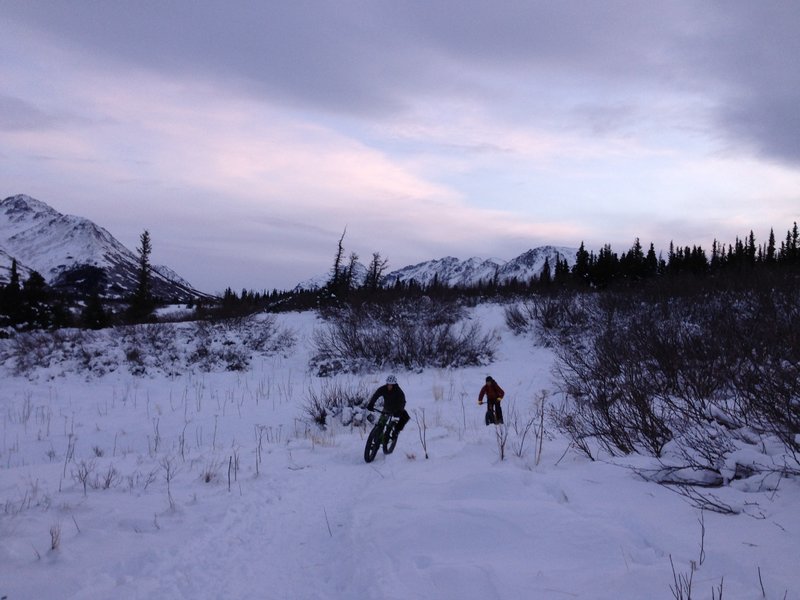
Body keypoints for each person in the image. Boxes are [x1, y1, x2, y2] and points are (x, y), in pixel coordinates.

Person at [366, 375, 410, 439]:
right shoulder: (383, 389)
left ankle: (396, 431)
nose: (389, 386)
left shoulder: (399, 392)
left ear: (394, 385)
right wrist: (371, 404)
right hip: (387, 408)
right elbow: (376, 395)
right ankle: (377, 436)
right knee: (381, 424)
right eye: (388, 384)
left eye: (391, 385)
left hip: (397, 409)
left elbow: (402, 402)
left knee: (406, 417)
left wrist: (399, 410)